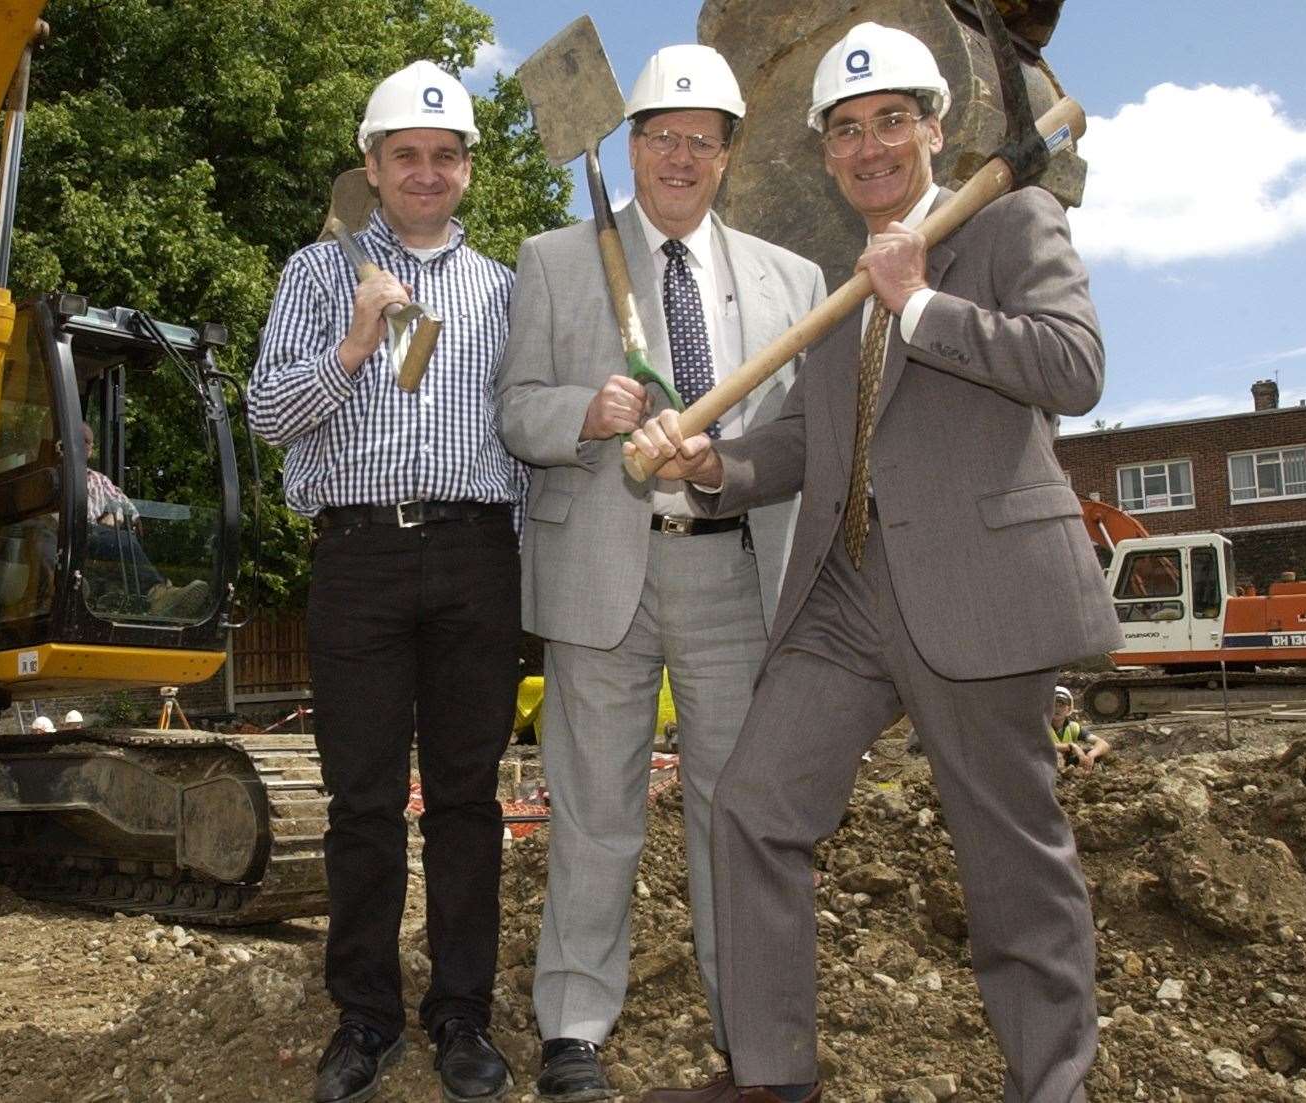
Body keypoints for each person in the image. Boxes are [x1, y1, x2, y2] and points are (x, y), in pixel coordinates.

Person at [626, 22, 1120, 1103]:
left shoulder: (1009, 222)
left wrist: (923, 304)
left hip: (976, 591)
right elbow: (808, 442)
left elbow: (1074, 366)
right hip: (846, 596)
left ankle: (1054, 1086)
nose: (870, 147)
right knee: (753, 803)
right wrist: (715, 461)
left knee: (1009, 858)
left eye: (892, 119)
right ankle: (770, 1075)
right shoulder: (840, 286)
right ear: (825, 152)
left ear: (936, 127)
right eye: (846, 130)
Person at [495, 44, 825, 1102]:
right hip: (601, 569)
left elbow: (801, 444)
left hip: (731, 571)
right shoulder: (553, 260)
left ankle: (753, 1034)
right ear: (631, 145)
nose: (680, 156)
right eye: (661, 136)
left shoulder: (793, 280)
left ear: (730, 155)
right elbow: (515, 410)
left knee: (738, 812)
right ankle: (575, 1028)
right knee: (596, 809)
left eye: (702, 141)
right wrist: (581, 413)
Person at [249, 59, 524, 1103]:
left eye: (444, 155)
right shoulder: (316, 277)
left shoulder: (502, 290)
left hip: (474, 552)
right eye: (404, 154)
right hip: (357, 556)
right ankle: (364, 1015)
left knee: (465, 799)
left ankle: (462, 1014)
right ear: (372, 164)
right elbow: (269, 413)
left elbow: (528, 439)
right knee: (361, 800)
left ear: (466, 170)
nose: (424, 171)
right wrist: (358, 344)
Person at [79, 422, 208, 618]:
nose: (88, 447)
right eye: (83, 441)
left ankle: (156, 596)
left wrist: (119, 516)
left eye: (90, 443)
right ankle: (155, 595)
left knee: (123, 541)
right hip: (66, 534)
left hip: (94, 536)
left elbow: (128, 508)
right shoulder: (54, 475)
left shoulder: (99, 480)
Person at [1051, 686, 1108, 772]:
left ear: (1069, 709)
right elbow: (1040, 746)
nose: (1057, 708)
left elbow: (1103, 744)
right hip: (1048, 767)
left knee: (1095, 754)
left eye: (1062, 705)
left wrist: (1091, 755)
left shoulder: (1073, 727)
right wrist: (1071, 746)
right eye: (1053, 704)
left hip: (1067, 764)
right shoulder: (1040, 727)